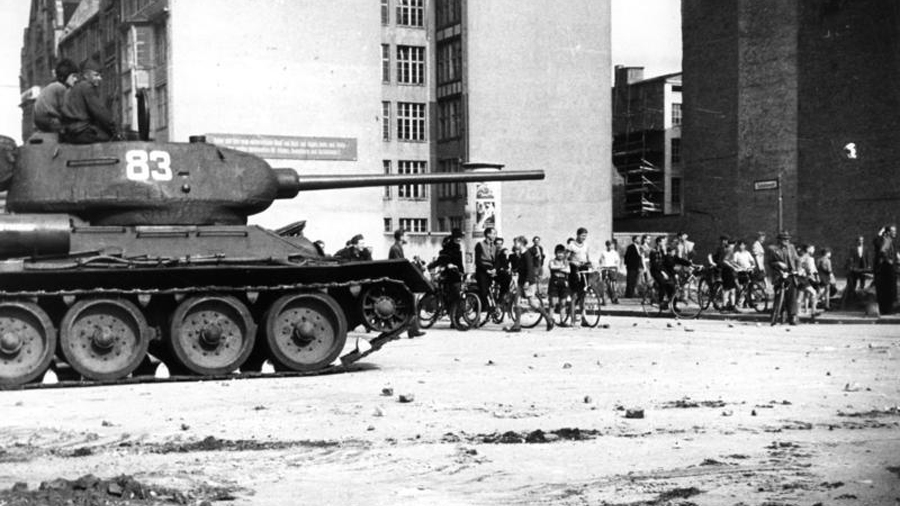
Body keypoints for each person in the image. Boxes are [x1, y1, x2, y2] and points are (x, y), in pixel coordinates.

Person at [61, 60, 120, 144]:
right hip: (83, 132)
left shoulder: (71, 89)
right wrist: (113, 128)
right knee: (113, 141)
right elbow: (99, 111)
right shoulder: (87, 87)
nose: (100, 78)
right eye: (96, 75)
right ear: (86, 75)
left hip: (71, 134)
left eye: (100, 75)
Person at [505, 236, 553, 333]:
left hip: (528, 282)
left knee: (532, 303)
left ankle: (548, 319)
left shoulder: (527, 254)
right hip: (520, 281)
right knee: (517, 302)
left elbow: (530, 269)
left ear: (521, 243)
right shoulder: (521, 254)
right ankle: (517, 325)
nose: (514, 245)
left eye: (516, 243)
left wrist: (527, 281)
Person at [387, 229, 425, 337]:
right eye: (406, 236)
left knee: (408, 305)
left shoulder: (397, 248)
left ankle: (412, 330)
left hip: (399, 281)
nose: (407, 238)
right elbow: (399, 265)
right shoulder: (395, 249)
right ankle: (400, 331)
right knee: (404, 306)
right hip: (398, 282)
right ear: (401, 237)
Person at [427, 228, 466, 327]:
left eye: (460, 237)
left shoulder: (458, 248)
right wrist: (448, 264)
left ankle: (454, 319)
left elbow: (459, 262)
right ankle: (455, 321)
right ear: (453, 237)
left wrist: (462, 272)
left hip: (456, 275)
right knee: (453, 298)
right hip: (449, 275)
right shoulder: (449, 248)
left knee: (456, 297)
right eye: (457, 237)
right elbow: (443, 259)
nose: (459, 239)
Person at [33, 58, 79, 133]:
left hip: (39, 121)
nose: (75, 79)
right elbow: (65, 110)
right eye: (73, 76)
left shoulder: (50, 86)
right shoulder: (61, 88)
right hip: (49, 121)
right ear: (62, 77)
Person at [767, 231, 800, 325]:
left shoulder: (792, 248)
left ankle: (792, 317)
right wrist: (778, 263)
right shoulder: (773, 249)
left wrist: (799, 269)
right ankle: (777, 314)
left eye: (787, 239)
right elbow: (770, 263)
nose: (786, 241)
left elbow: (797, 260)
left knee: (792, 296)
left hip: (791, 273)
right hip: (779, 273)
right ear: (779, 240)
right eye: (784, 239)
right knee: (778, 294)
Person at [648, 235, 690, 309]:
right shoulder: (653, 251)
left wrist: (689, 264)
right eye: (663, 241)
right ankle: (659, 302)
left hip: (663, 270)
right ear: (659, 242)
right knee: (662, 283)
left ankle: (673, 305)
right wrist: (663, 273)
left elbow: (672, 259)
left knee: (672, 286)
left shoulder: (663, 251)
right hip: (656, 271)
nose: (665, 243)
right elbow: (655, 264)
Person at [567, 227, 594, 326]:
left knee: (583, 295)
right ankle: (572, 320)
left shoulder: (586, 245)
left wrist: (590, 264)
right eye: (582, 236)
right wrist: (574, 262)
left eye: (585, 236)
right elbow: (566, 259)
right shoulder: (571, 245)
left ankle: (583, 319)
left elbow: (587, 257)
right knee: (574, 296)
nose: (584, 238)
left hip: (584, 269)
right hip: (574, 270)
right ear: (577, 235)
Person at [873, 225, 898, 315]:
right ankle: (887, 310)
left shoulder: (889, 240)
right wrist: (889, 261)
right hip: (887, 269)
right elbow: (883, 251)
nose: (895, 233)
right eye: (893, 231)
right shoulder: (887, 240)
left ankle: (887, 309)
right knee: (889, 289)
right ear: (888, 232)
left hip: (887, 268)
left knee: (887, 289)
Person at [474, 227, 498, 317]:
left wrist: (495, 268)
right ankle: (480, 311)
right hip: (482, 270)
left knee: (504, 279)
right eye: (493, 233)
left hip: (491, 269)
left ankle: (497, 304)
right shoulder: (479, 245)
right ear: (488, 234)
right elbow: (478, 261)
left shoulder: (494, 247)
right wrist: (486, 270)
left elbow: (496, 260)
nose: (495, 235)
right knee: (483, 291)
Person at [547, 244, 571, 326]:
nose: (560, 255)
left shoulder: (566, 262)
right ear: (555, 253)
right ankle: (550, 320)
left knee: (563, 303)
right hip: (554, 284)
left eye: (562, 253)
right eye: (558, 253)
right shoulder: (552, 261)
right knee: (552, 303)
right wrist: (562, 267)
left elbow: (568, 271)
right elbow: (552, 267)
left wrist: (560, 267)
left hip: (564, 284)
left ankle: (562, 321)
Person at [797, 244, 820, 317]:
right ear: (808, 249)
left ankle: (812, 311)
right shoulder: (806, 258)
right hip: (804, 279)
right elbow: (806, 268)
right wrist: (811, 275)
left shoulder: (806, 258)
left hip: (805, 279)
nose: (813, 250)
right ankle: (797, 313)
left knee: (811, 293)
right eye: (812, 248)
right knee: (801, 296)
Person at [731, 240, 756, 309]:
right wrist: (739, 267)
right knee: (742, 288)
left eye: (742, 245)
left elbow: (752, 261)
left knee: (750, 287)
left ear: (745, 246)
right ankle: (740, 303)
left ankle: (749, 302)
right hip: (741, 272)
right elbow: (733, 262)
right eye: (740, 245)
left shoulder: (747, 253)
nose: (741, 246)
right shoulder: (737, 254)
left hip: (748, 270)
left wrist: (752, 266)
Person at [598, 240, 621, 304]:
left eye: (611, 245)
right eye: (608, 245)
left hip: (612, 268)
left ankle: (615, 298)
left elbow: (617, 261)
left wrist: (616, 267)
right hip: (605, 268)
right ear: (606, 245)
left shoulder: (614, 253)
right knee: (604, 284)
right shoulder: (603, 252)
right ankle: (604, 299)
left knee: (613, 284)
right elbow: (600, 260)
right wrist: (601, 267)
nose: (609, 246)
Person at [494, 237, 512, 302]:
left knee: (507, 280)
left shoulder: (503, 252)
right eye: (497, 244)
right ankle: (500, 299)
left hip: (502, 272)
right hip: (495, 272)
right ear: (495, 244)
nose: (499, 245)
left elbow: (506, 262)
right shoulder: (493, 252)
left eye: (500, 244)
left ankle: (503, 298)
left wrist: (507, 268)